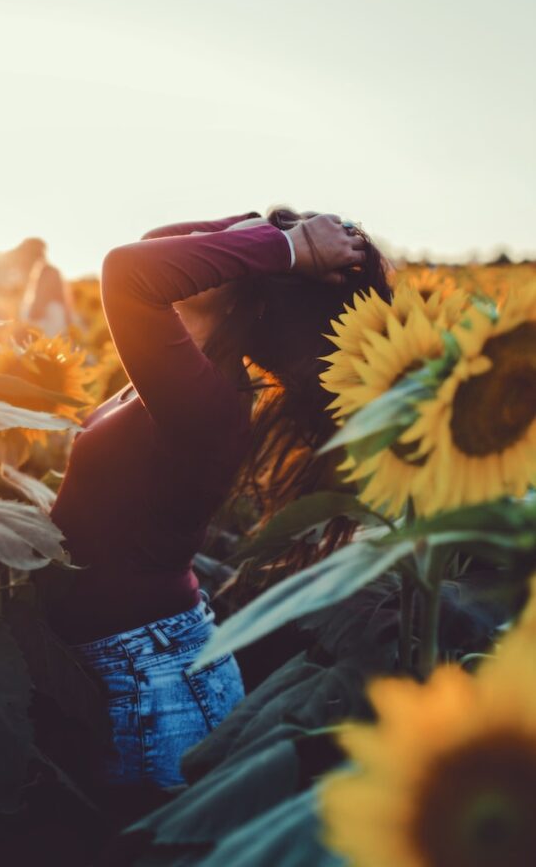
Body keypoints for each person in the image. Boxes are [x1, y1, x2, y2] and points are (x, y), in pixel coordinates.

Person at [48, 208, 390, 791]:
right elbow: (151, 246)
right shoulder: (183, 371)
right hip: (143, 662)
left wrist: (289, 246)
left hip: (157, 678)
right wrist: (259, 226)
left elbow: (129, 270)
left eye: (248, 248)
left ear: (244, 296)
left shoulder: (208, 402)